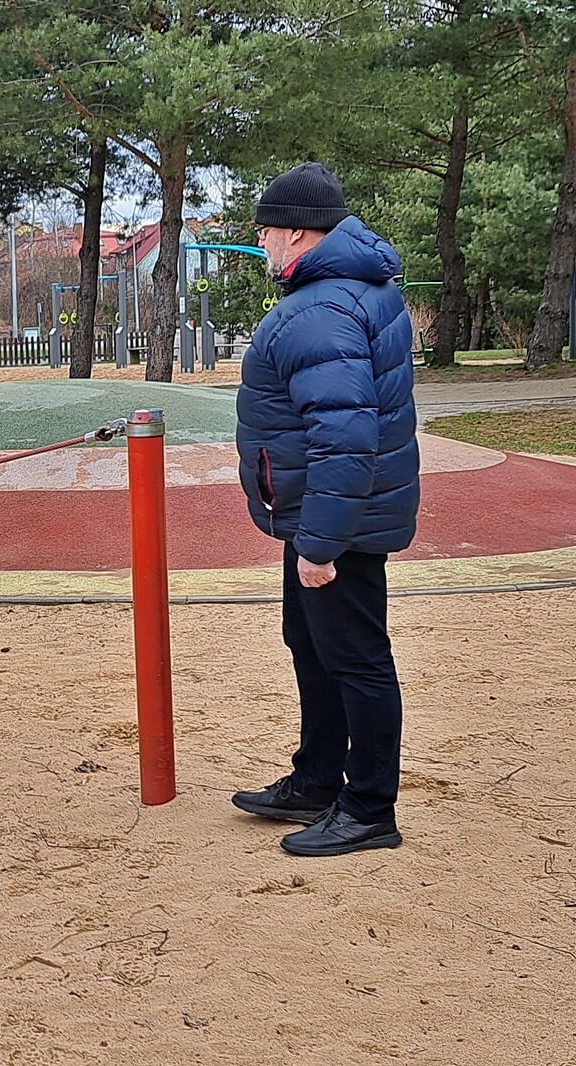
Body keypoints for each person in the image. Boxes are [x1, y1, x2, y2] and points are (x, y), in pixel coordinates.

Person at [229, 162, 421, 857]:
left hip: (337, 519)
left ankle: (369, 807)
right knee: (310, 642)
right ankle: (317, 777)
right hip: (320, 512)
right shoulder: (350, 291)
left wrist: (320, 546)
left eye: (266, 233)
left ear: (296, 233)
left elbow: (344, 433)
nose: (263, 246)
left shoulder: (321, 308)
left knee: (356, 657)